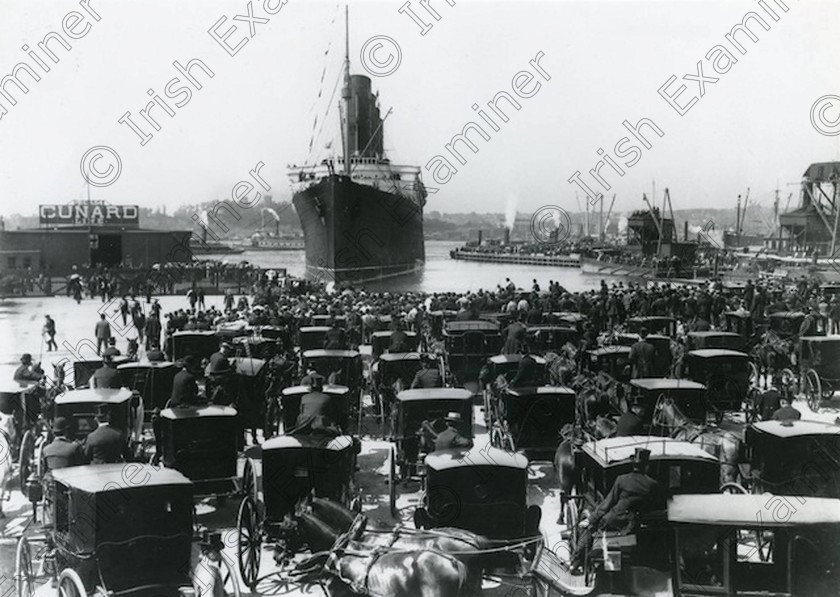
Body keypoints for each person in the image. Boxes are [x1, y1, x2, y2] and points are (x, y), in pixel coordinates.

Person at [570, 448, 665, 573]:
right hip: (633, 524)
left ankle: (575, 562)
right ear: (646, 467)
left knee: (589, 530)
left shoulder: (622, 479)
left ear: (633, 465)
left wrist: (590, 519)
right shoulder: (652, 484)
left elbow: (607, 503)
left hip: (612, 520)